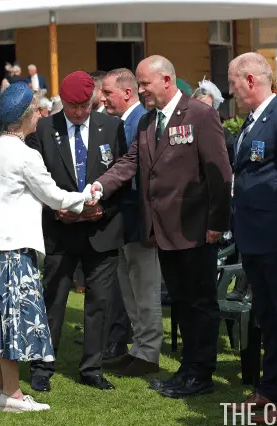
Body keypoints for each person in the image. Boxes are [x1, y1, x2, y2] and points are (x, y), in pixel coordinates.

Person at [91, 55, 232, 398]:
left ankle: (200, 374)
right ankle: (188, 369)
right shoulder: (147, 122)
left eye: (145, 84)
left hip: (196, 229)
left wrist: (217, 223)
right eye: (138, 85)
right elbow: (130, 163)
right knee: (183, 304)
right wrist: (99, 187)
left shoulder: (200, 115)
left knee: (200, 304)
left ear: (166, 81)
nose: (140, 91)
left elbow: (220, 172)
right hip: (163, 231)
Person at [0, 82, 96, 413]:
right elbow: (54, 196)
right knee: (12, 322)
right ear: (24, 118)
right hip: (11, 249)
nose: (42, 114)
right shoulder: (25, 155)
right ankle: (13, 395)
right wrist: (87, 195)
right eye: (38, 110)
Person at [27, 71, 128, 392]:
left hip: (102, 229)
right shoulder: (44, 129)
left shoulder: (112, 127)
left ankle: (92, 368)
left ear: (94, 100)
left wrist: (104, 209)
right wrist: (54, 208)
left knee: (99, 302)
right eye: (72, 106)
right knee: (53, 298)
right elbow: (31, 180)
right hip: (60, 230)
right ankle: (43, 364)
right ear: (63, 102)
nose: (79, 112)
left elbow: (124, 176)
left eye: (85, 105)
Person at [227, 53, 277, 423]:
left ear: (249, 81)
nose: (231, 92)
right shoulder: (254, 120)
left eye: (232, 84)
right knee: (268, 317)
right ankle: (270, 388)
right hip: (257, 238)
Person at [99, 68, 163, 376]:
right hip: (122, 222)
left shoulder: (141, 121)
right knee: (129, 289)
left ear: (127, 93)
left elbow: (142, 176)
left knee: (144, 288)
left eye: (108, 92)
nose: (103, 98)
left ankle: (148, 353)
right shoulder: (125, 122)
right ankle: (139, 348)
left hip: (139, 221)